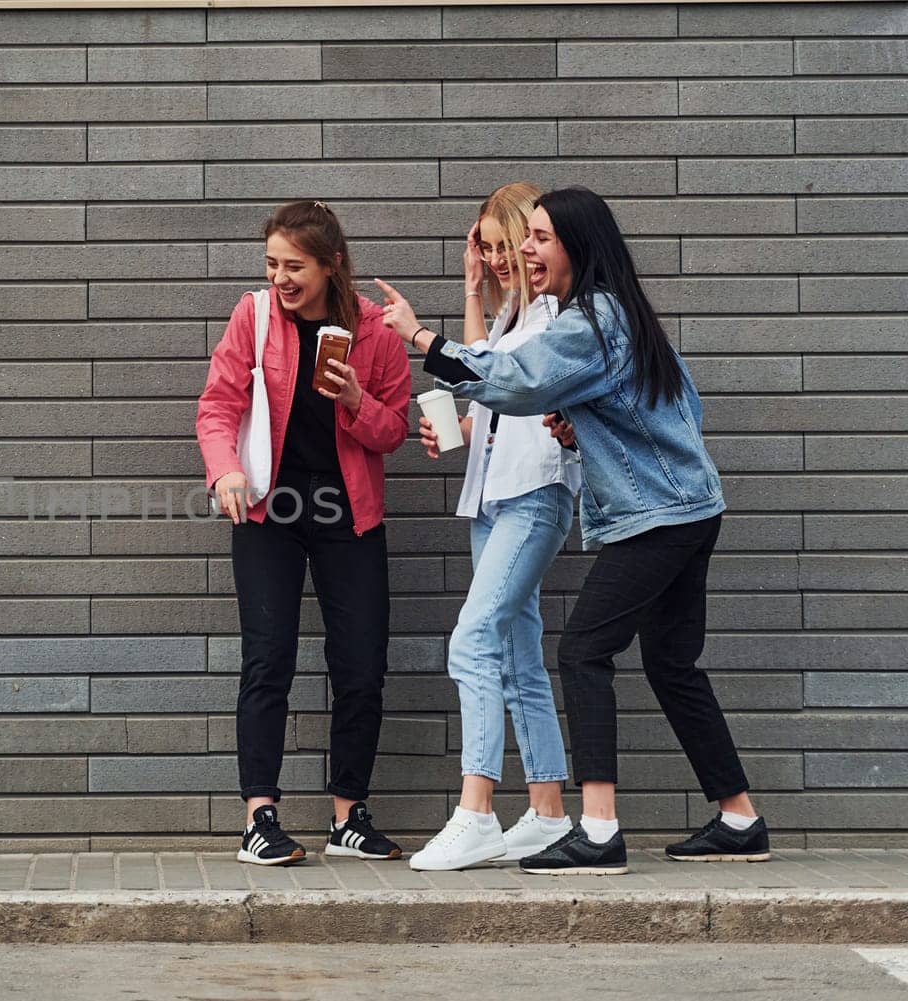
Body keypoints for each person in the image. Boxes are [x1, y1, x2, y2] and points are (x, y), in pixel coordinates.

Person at [381, 187, 768, 876]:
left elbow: (517, 379)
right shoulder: (621, 315)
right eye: (525, 237)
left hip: (658, 517)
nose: (528, 250)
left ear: (576, 247)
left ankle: (597, 829)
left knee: (584, 650)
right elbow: (678, 408)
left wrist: (421, 338)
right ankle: (740, 816)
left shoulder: (589, 321)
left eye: (540, 238)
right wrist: (587, 427)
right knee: (672, 664)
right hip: (692, 506)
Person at [197, 200, 412, 866]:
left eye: (295, 265)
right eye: (272, 263)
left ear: (331, 265)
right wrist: (225, 471)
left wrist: (355, 399)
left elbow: (394, 430)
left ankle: (349, 815)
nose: (281, 277)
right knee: (269, 659)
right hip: (268, 512)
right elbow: (218, 404)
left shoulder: (372, 332)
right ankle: (259, 817)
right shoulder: (254, 316)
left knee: (362, 664)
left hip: (349, 513)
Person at [378, 183, 582, 871]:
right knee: (520, 656)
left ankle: (476, 810)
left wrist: (417, 331)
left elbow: (499, 375)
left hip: (534, 495)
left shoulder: (556, 314)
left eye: (508, 245)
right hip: (492, 500)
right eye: (488, 249)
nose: (499, 259)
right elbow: (481, 380)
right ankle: (550, 811)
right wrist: (463, 428)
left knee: (472, 641)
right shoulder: (508, 318)